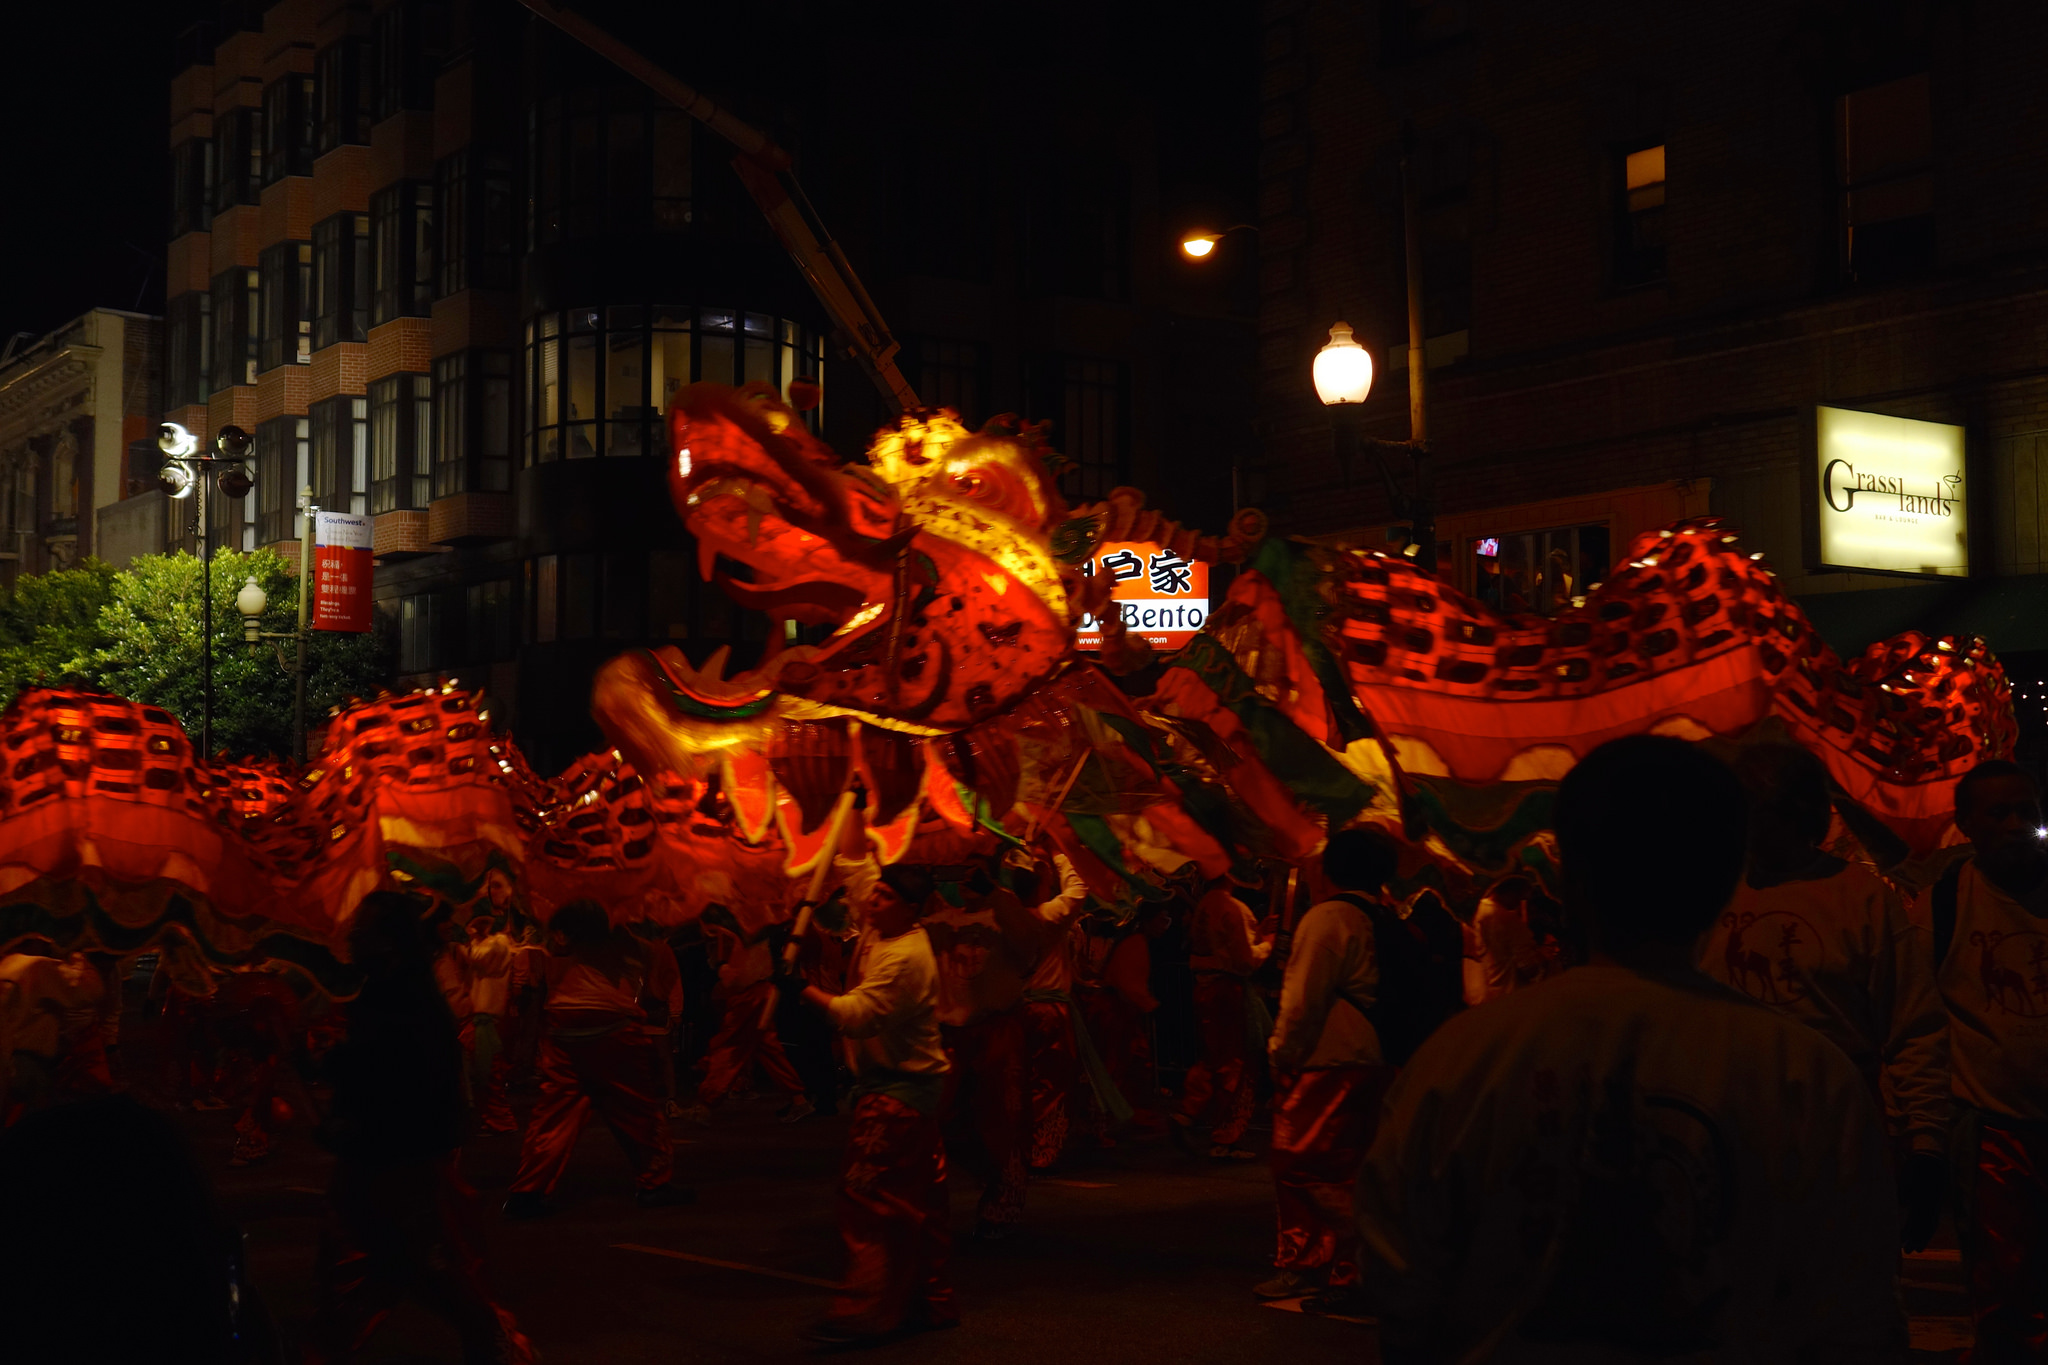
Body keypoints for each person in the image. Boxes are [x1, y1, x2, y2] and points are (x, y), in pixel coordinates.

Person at [1357, 735, 1901, 1363]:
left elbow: (1402, 1284)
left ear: (1570, 873)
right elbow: (1852, 1311)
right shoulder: (1807, 1076)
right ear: (1729, 875)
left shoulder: (1460, 1062)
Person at [1698, 743, 1949, 1250]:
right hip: (1725, 1133)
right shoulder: (1706, 894)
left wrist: (1926, 1144)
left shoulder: (1858, 897)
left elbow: (1914, 1027)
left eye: (1758, 808)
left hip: (1837, 1133)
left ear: (1797, 811)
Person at [310, 892, 532, 1364]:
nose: (353, 940)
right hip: (383, 1157)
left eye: (363, 932)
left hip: (396, 1161)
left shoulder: (405, 998)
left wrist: (344, 1092)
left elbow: (398, 1078)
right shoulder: (385, 990)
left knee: (418, 1266)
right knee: (394, 1269)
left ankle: (496, 1343)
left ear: (390, 942)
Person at [791, 864, 955, 1345]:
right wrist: (857, 801)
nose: (872, 901)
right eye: (875, 894)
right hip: (904, 1088)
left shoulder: (905, 955)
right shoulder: (883, 929)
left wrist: (800, 990)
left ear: (911, 908)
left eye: (883, 897)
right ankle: (929, 1301)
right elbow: (858, 868)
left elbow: (858, 1016)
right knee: (918, 1201)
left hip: (897, 1094)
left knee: (869, 1197)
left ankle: (867, 1309)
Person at [1920, 758, 2048, 1361]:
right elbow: (1916, 1018)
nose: (2017, 823)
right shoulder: (1946, 901)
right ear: (1965, 823)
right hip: (1996, 1130)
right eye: (1998, 812)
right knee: (2003, 1292)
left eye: (2027, 809)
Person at [1258, 828, 1399, 1311]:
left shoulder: (1329, 918)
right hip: (1376, 1058)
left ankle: (1312, 1263)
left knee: (1301, 1164)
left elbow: (1302, 1001)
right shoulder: (1386, 919)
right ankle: (1355, 1269)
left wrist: (1281, 1054)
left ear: (1331, 868)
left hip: (1328, 1060)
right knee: (1355, 1168)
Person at [503, 900, 691, 1217]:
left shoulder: (560, 948)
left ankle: (526, 1192)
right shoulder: (634, 944)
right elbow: (656, 982)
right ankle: (654, 1184)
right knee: (637, 1111)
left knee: (555, 1114)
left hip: (564, 1023)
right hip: (611, 1026)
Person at [1173, 876, 1271, 1160]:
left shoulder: (1206, 903)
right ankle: (1226, 1136)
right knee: (1237, 1062)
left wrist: (1258, 936)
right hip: (1228, 989)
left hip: (1204, 986)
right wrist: (1267, 944)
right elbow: (1243, 960)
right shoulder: (1232, 906)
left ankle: (1188, 1112)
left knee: (1212, 1057)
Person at [687, 915, 811, 1122]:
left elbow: (730, 963)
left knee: (729, 1046)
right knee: (768, 1048)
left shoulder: (739, 921)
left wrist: (721, 966)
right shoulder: (754, 920)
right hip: (759, 989)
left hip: (750, 993)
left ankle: (706, 1104)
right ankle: (799, 1100)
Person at [1015, 850, 1090, 1169]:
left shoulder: (1009, 918)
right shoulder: (1047, 915)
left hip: (1017, 1010)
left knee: (1021, 1079)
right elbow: (1078, 890)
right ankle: (1042, 1148)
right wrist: (1062, 855)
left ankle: (1019, 1144)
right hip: (1047, 1011)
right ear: (1043, 885)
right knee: (1050, 1080)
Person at [463, 915, 519, 1136]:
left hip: (486, 1015)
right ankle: (493, 1118)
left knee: (489, 1071)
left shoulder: (498, 943)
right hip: (480, 1013)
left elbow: (481, 960)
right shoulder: (491, 942)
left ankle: (500, 1119)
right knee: (483, 1070)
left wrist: (473, 939)